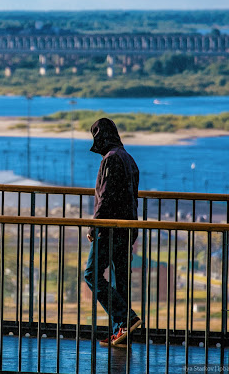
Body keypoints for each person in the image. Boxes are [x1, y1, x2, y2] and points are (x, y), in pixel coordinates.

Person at [83, 118, 141, 346]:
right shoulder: (129, 159)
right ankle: (122, 333)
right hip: (128, 228)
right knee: (120, 279)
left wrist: (94, 225)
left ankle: (126, 318)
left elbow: (105, 198)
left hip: (109, 228)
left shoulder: (111, 159)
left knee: (91, 274)